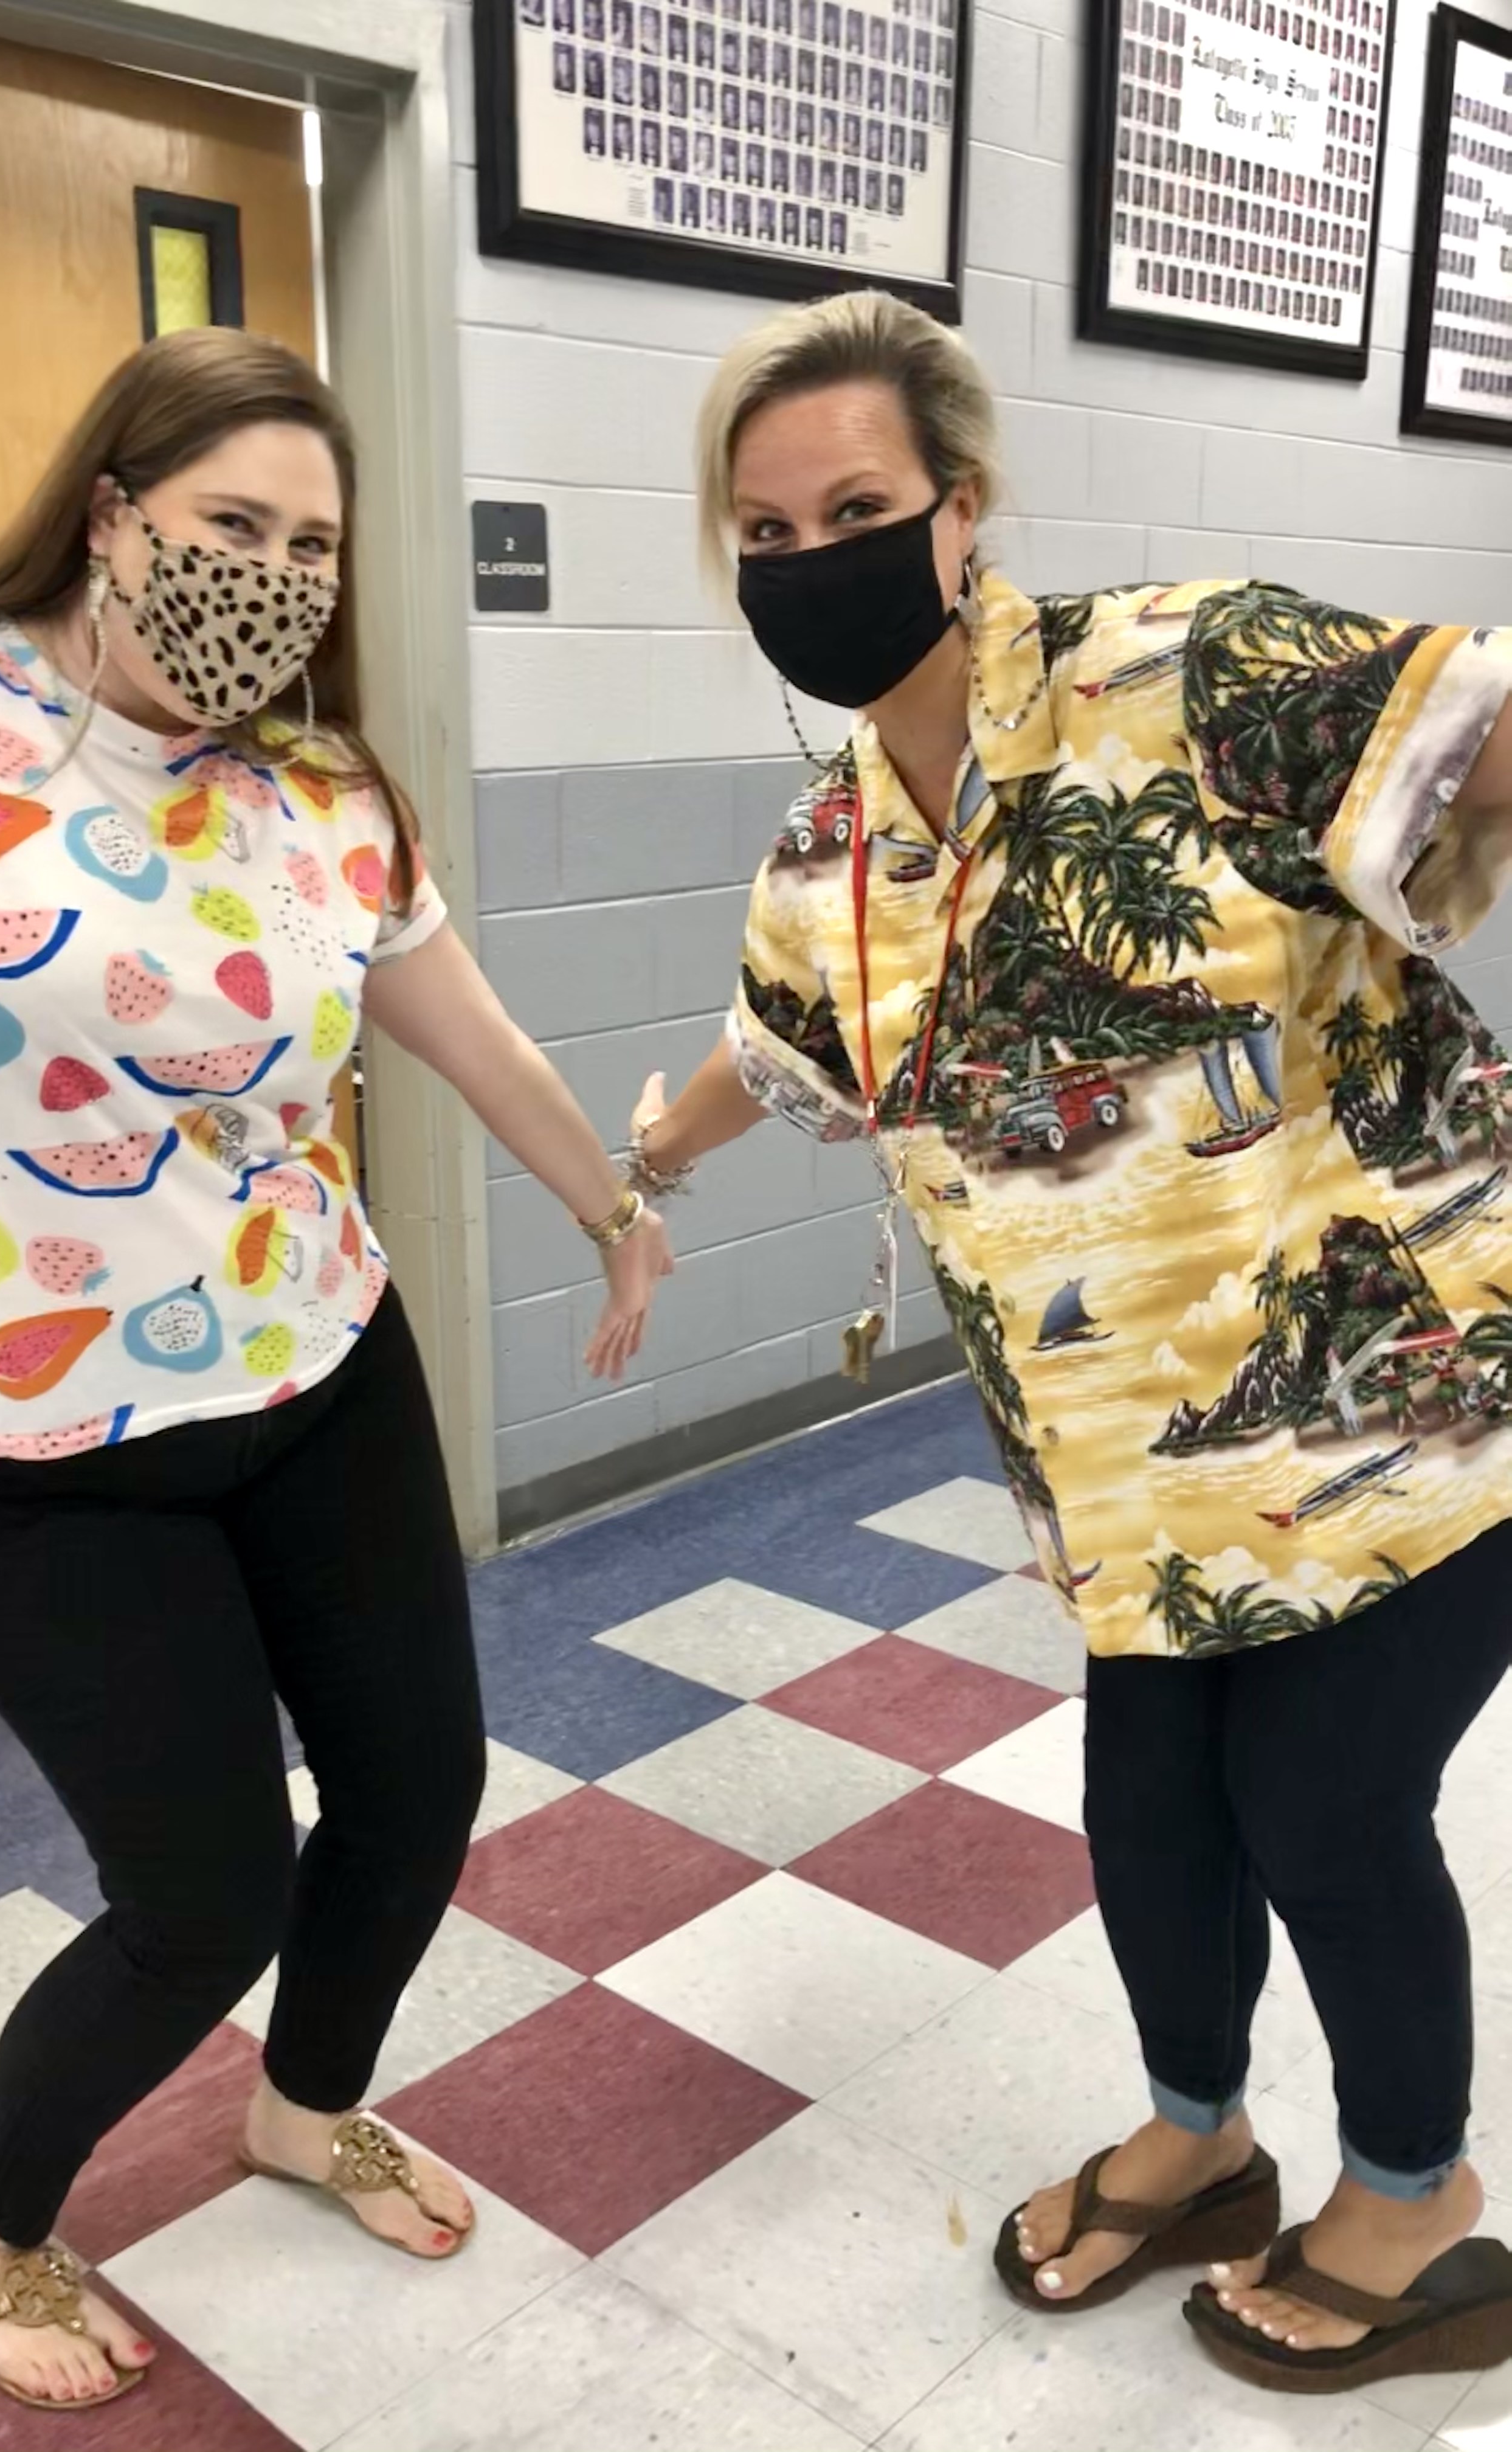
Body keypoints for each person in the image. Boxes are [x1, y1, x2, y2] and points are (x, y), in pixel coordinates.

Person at [0, 328, 670, 2414]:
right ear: (113, 508)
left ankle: (307, 2108)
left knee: (416, 1789)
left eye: (314, 546)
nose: (273, 578)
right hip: (11, 1433)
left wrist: (614, 1204)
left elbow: (469, 1032)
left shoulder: (320, 790)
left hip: (314, 1362)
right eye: (233, 523)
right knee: (204, 1892)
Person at [624, 288, 1512, 2393]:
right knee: (1152, 1814)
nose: (809, 560)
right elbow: (783, 1049)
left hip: (1404, 1410)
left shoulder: (1189, 675)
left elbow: (1478, 744)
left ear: (964, 507)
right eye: (765, 533)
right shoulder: (835, 853)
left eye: (855, 508)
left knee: (1323, 1808)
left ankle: (1415, 2202)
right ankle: (1199, 2142)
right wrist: (642, 1163)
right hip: (1126, 1474)